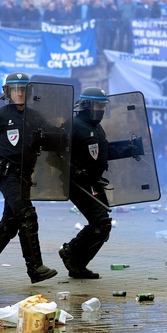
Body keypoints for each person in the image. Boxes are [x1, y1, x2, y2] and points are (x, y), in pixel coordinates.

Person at [0, 73, 58, 284]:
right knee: (27, 216)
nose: (19, 93)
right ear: (8, 92)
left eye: (23, 89)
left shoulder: (35, 116)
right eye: (15, 89)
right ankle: (35, 268)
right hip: (7, 174)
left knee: (9, 225)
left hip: (25, 176)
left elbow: (51, 139)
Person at [58, 87, 114, 280]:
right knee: (101, 222)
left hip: (94, 182)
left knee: (103, 226)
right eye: (98, 105)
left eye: (103, 105)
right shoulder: (72, 125)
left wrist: (128, 150)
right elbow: (54, 155)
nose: (102, 109)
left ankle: (78, 265)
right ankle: (70, 252)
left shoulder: (97, 127)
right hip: (77, 184)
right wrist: (73, 170)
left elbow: (99, 154)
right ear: (87, 105)